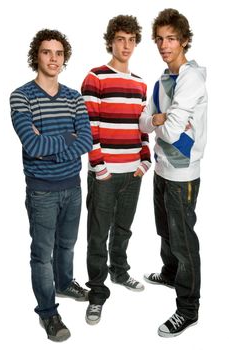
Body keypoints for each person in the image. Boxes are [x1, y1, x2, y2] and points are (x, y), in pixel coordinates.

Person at [10, 29, 92, 342]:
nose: (53, 58)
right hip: (41, 190)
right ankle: (48, 313)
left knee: (67, 245)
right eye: (47, 52)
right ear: (37, 56)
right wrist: (66, 141)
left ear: (64, 58)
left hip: (72, 187)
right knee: (42, 255)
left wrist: (52, 145)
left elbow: (85, 139)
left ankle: (65, 282)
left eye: (59, 53)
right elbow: (31, 145)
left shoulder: (73, 97)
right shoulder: (21, 96)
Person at [139, 8, 207, 337]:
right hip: (162, 170)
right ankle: (169, 273)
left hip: (183, 174)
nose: (165, 45)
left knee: (183, 241)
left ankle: (188, 308)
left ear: (184, 41)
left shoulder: (190, 78)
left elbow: (174, 129)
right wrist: (157, 120)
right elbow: (144, 121)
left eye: (172, 39)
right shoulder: (162, 81)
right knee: (165, 230)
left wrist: (160, 122)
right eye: (160, 39)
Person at [81, 15, 151, 325]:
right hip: (105, 173)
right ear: (111, 41)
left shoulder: (139, 83)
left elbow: (143, 125)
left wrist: (145, 159)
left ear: (136, 43)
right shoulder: (95, 77)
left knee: (123, 227)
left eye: (131, 40)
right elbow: (88, 126)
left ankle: (120, 271)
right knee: (99, 233)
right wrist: (99, 166)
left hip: (133, 172)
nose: (126, 45)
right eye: (120, 39)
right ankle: (97, 291)